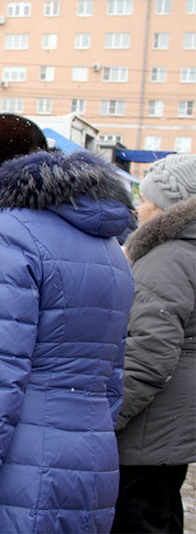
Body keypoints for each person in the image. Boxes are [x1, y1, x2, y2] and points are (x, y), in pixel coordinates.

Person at [0, 114, 136, 533]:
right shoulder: (107, 244)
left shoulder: (5, 232)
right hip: (92, 463)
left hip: (21, 469)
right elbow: (111, 382)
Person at [111, 154, 196, 534]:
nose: (138, 207)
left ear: (166, 206)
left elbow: (150, 353)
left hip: (149, 429)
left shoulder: (168, 258)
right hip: (170, 425)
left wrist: (110, 416)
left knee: (141, 516)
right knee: (159, 511)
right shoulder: (184, 253)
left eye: (144, 198)